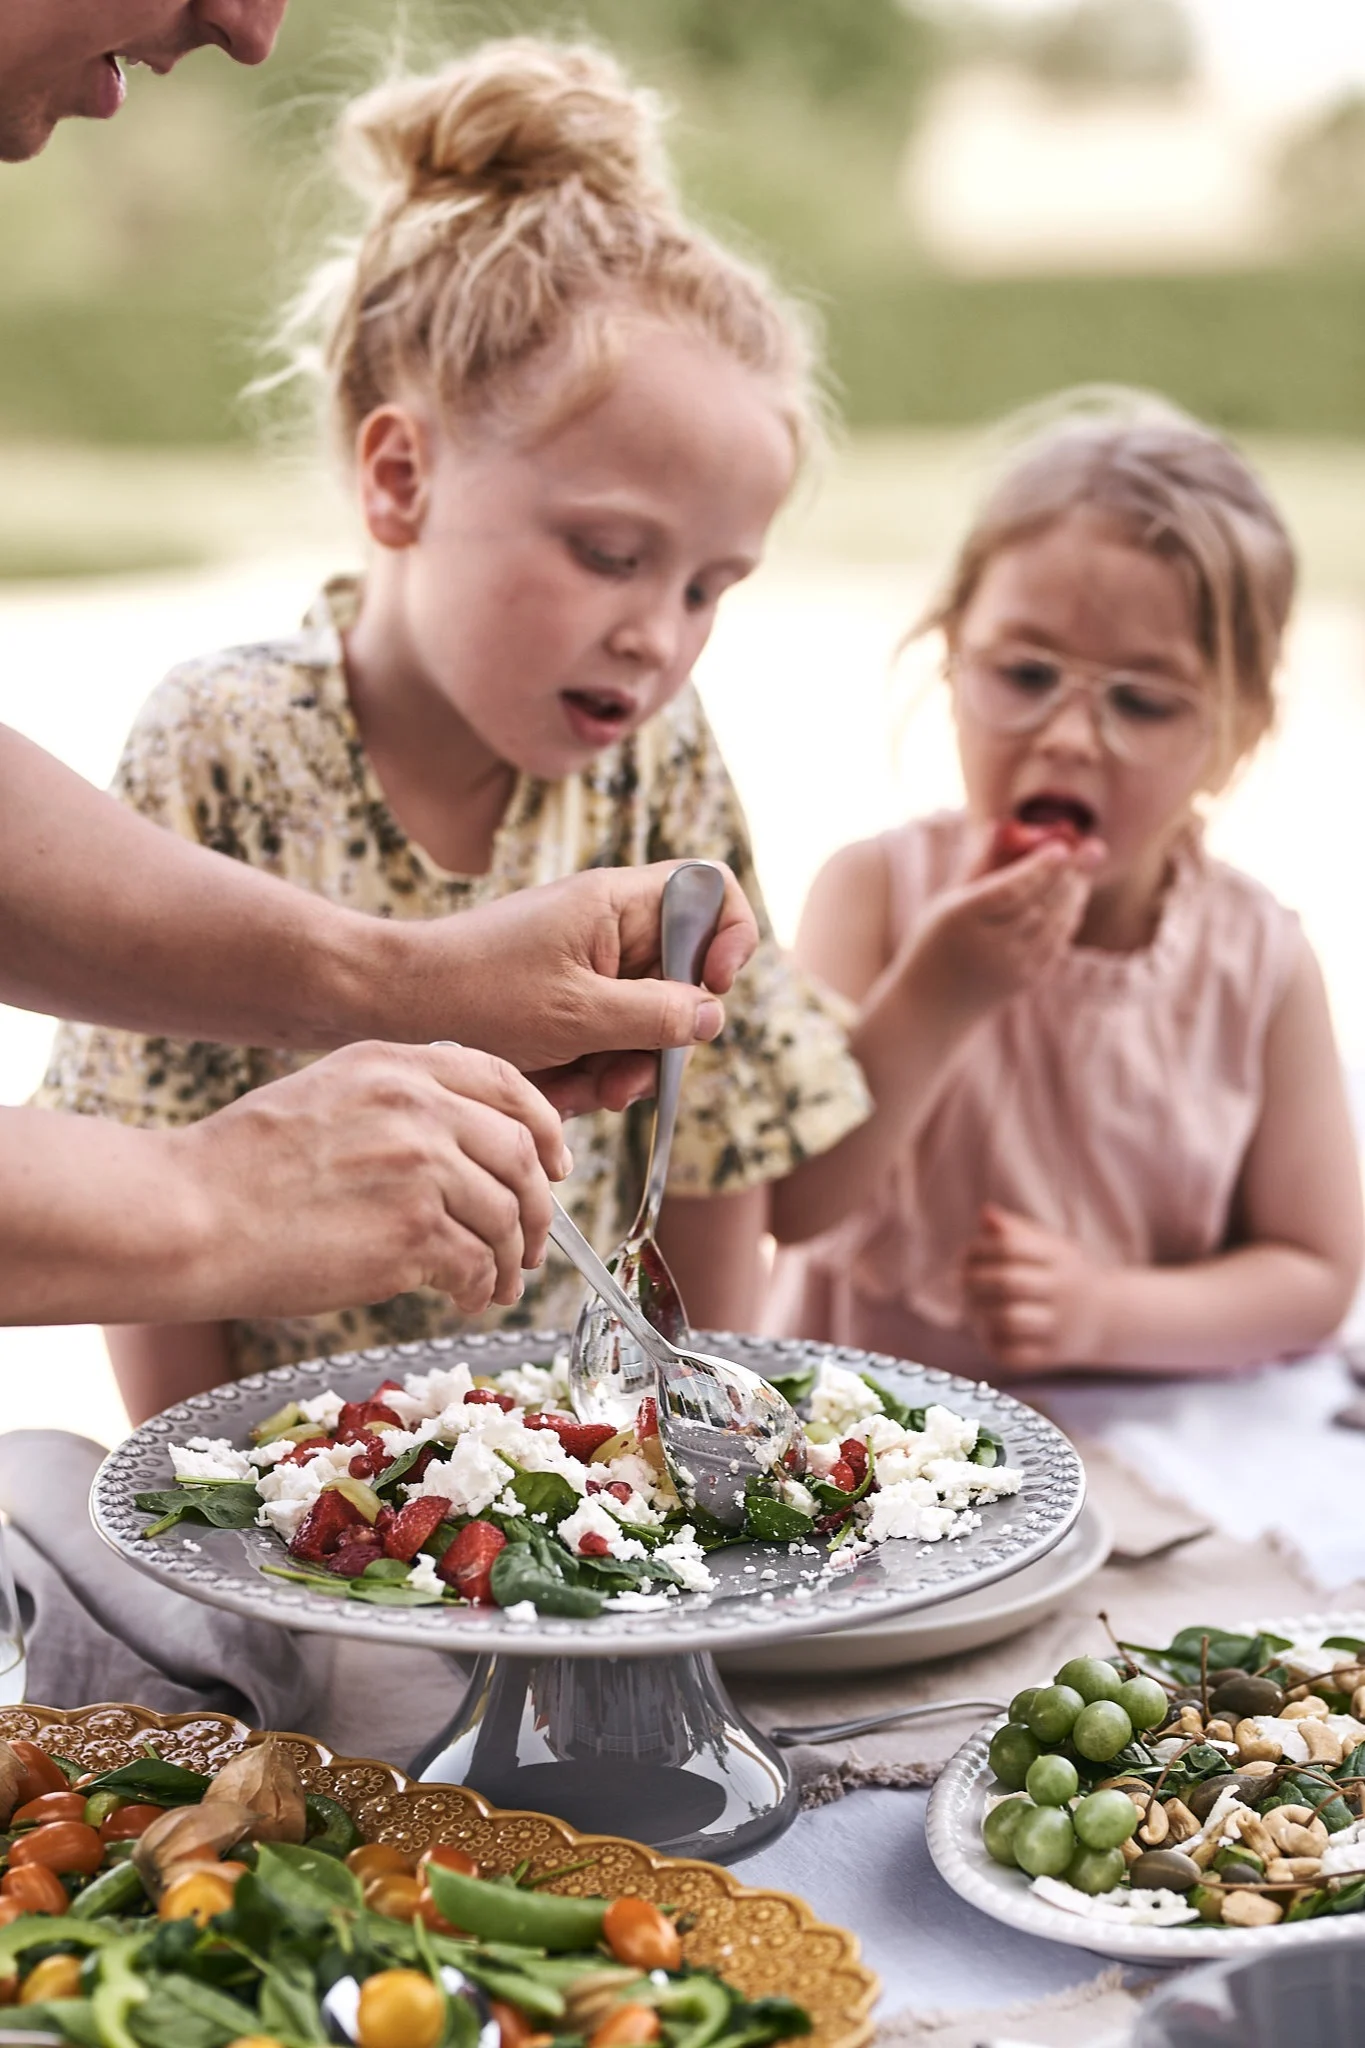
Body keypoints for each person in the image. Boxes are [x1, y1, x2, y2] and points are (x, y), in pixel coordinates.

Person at [36, 37, 870, 1422]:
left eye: (709, 587)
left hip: (581, 1476)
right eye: (609, 552)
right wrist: (198, 1523)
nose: (656, 634)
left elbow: (713, 1137)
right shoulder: (226, 741)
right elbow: (133, 1171)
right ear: (402, 479)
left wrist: (695, 1445)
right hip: (297, 1495)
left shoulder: (657, 760)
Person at [769, 397, 1364, 1379]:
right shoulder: (874, 893)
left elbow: (1315, 1271)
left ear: (1237, 732)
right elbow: (792, 1197)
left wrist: (1108, 1312)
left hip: (1135, 1451)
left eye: (1142, 699)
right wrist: (942, 988)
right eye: (1025, 673)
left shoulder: (1259, 962)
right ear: (953, 654)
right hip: (865, 1446)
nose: (1070, 736)